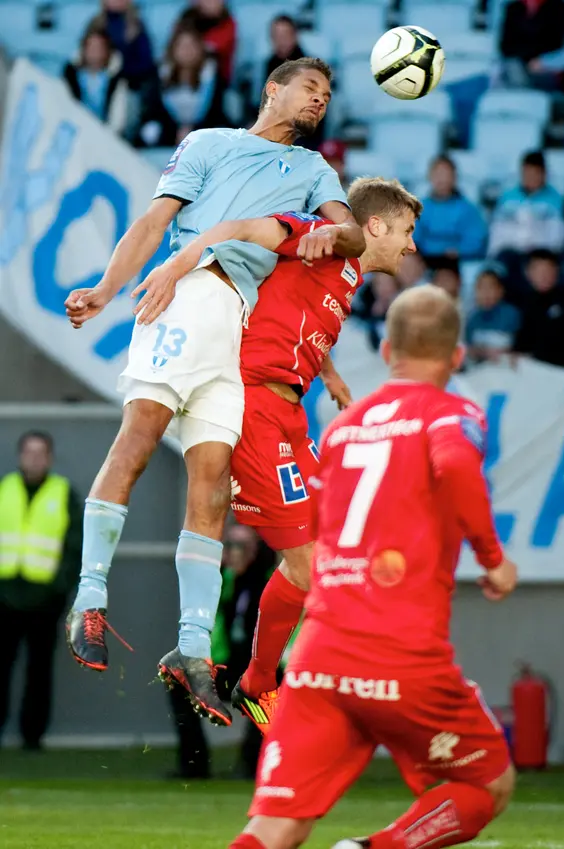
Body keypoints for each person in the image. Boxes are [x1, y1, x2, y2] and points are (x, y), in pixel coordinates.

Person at [63, 57, 364, 725]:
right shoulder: (209, 143)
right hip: (189, 290)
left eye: (327, 94)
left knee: (209, 485)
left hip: (236, 324)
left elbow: (348, 231)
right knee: (137, 439)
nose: (319, 99)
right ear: (272, 88)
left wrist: (327, 232)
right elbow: (152, 223)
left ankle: (192, 648)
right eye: (309, 87)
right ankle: (89, 596)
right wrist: (107, 290)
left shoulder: (316, 171)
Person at [227, 284, 517, 849]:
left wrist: (264, 670)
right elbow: (456, 464)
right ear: (457, 357)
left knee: (275, 826)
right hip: (401, 654)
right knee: (488, 780)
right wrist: (493, 559)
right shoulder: (452, 412)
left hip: (320, 658)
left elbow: (308, 555)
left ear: (386, 352)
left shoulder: (342, 428)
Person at [138, 176, 422, 732]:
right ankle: (268, 683)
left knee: (329, 546)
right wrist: (178, 264)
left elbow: (296, 318)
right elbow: (248, 232)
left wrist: (333, 377)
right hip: (254, 407)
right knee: (313, 563)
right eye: (407, 231)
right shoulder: (321, 237)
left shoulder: (344, 275)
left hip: (287, 414)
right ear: (376, 226)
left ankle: (262, 678)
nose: (411, 246)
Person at [168, 522, 275, 780]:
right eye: (230, 546)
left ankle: (255, 767)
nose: (234, 553)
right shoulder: (217, 582)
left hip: (262, 669)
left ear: (256, 551)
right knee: (178, 680)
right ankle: (194, 765)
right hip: (226, 666)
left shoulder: (270, 583)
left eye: (243, 546)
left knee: (274, 690)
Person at [0, 432, 82, 751]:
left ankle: (32, 736)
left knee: (39, 671)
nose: (34, 459)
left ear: (49, 457)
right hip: (4, 598)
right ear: (20, 456)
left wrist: (59, 588)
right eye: (29, 452)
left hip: (44, 601)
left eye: (41, 453)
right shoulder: (5, 489)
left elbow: (74, 545)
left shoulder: (62, 493)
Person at [137, 26, 228, 149]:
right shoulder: (161, 73)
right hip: (169, 129)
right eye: (182, 46)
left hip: (203, 129)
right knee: (150, 132)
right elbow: (155, 110)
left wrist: (193, 130)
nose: (187, 51)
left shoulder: (211, 75)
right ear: (173, 49)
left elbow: (215, 112)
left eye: (192, 46)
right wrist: (176, 130)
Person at [514, 249, 564, 370]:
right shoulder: (524, 303)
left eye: (547, 270)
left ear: (556, 270)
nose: (543, 275)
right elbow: (522, 342)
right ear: (528, 273)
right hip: (535, 368)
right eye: (538, 271)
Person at [489, 151, 564, 262]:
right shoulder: (507, 197)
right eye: (527, 173)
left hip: (541, 255)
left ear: (544, 174)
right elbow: (497, 233)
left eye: (535, 173)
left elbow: (557, 239)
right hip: (511, 253)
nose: (530, 177)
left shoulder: (555, 200)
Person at [413, 155, 487, 266]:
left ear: (454, 178)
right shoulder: (419, 207)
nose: (441, 179)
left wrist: (459, 250)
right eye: (437, 174)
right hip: (423, 260)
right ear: (429, 177)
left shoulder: (468, 209)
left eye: (446, 175)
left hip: (452, 262)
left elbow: (476, 241)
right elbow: (412, 238)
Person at [63, 30, 129, 135]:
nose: (94, 51)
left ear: (106, 51)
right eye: (90, 47)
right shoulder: (71, 76)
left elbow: (117, 118)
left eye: (99, 47)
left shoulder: (115, 79)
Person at [499, 0, 564, 90]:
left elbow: (554, 42)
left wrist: (540, 60)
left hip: (546, 63)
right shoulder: (513, 8)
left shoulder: (558, 7)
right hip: (518, 62)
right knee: (512, 68)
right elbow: (505, 45)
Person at [87, 0, 156, 92]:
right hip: (99, 80)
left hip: (130, 83)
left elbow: (145, 61)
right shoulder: (96, 24)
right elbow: (84, 54)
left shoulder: (136, 25)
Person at [466, 268, 522, 363]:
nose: (486, 293)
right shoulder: (472, 318)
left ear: (500, 291)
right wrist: (483, 352)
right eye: (481, 288)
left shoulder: (512, 314)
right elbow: (469, 350)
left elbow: (519, 348)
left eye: (491, 287)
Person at [177, 0, 237, 83]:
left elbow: (212, 48)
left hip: (217, 80)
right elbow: (175, 44)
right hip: (184, 73)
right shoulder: (188, 17)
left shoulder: (229, 23)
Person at [265, 16, 304, 81]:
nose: (281, 40)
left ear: (295, 36)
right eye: (276, 35)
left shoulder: (308, 67)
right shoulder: (269, 64)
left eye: (285, 35)